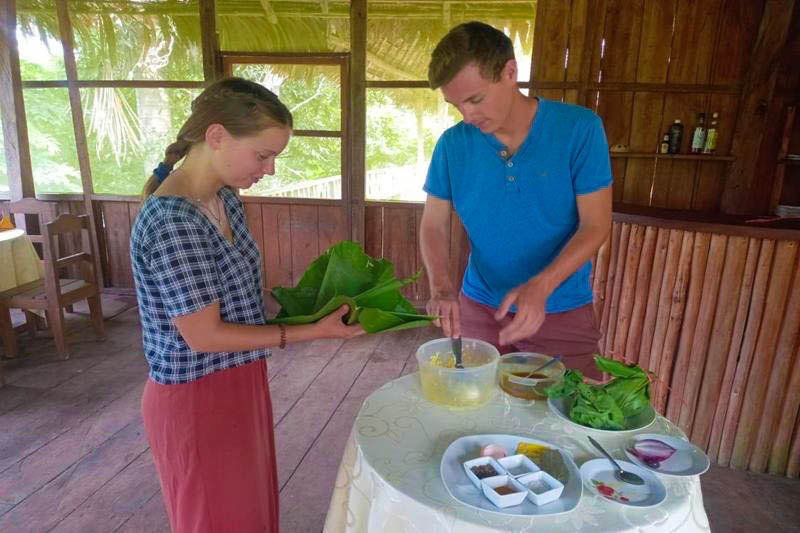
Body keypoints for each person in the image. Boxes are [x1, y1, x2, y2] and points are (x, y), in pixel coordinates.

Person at [130, 77, 363, 533]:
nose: (270, 169)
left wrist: (310, 310)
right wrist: (312, 331)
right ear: (216, 136)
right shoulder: (172, 219)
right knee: (217, 519)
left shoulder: (225, 201)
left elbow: (237, 302)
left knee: (249, 512)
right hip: (195, 395)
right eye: (263, 155)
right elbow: (204, 336)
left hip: (241, 377)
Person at [420, 22, 612, 380]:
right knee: (478, 405)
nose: (467, 116)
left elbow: (596, 225)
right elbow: (433, 224)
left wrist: (541, 287)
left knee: (567, 408)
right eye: (455, 104)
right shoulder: (452, 145)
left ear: (510, 72)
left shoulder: (579, 129)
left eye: (475, 99)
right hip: (480, 309)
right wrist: (442, 288)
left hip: (560, 309)